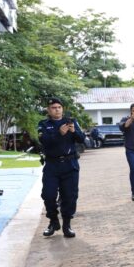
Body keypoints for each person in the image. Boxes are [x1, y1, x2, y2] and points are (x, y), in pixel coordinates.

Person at [37, 98, 85, 238]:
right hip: (52, 165)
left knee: (70, 196)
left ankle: (67, 225)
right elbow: (44, 141)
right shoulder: (44, 124)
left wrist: (74, 131)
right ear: (48, 109)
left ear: (62, 108)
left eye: (59, 107)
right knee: (48, 195)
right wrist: (59, 133)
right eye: (53, 107)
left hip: (70, 164)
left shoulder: (71, 121)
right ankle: (53, 221)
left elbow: (82, 139)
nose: (57, 109)